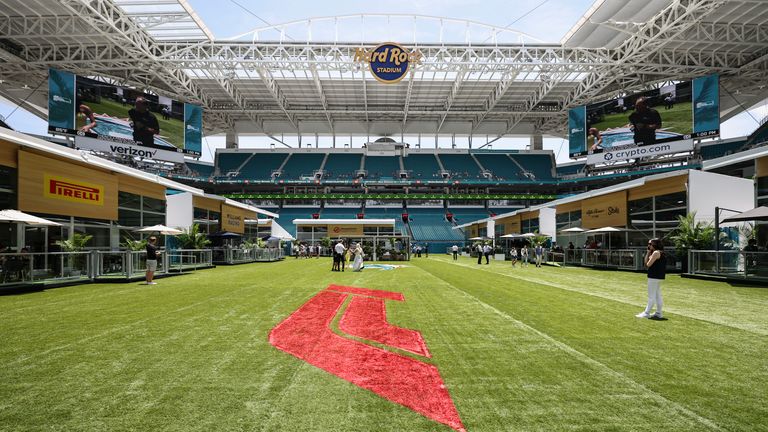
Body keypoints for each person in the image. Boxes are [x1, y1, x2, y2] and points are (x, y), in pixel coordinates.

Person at [637, 238, 667, 319]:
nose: (649, 246)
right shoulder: (658, 252)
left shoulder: (656, 252)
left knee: (651, 296)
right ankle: (659, 313)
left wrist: (649, 254)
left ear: (655, 244)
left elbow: (648, 264)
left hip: (654, 276)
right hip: (658, 276)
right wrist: (648, 253)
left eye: (650, 244)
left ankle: (646, 313)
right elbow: (646, 262)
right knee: (657, 295)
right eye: (648, 244)